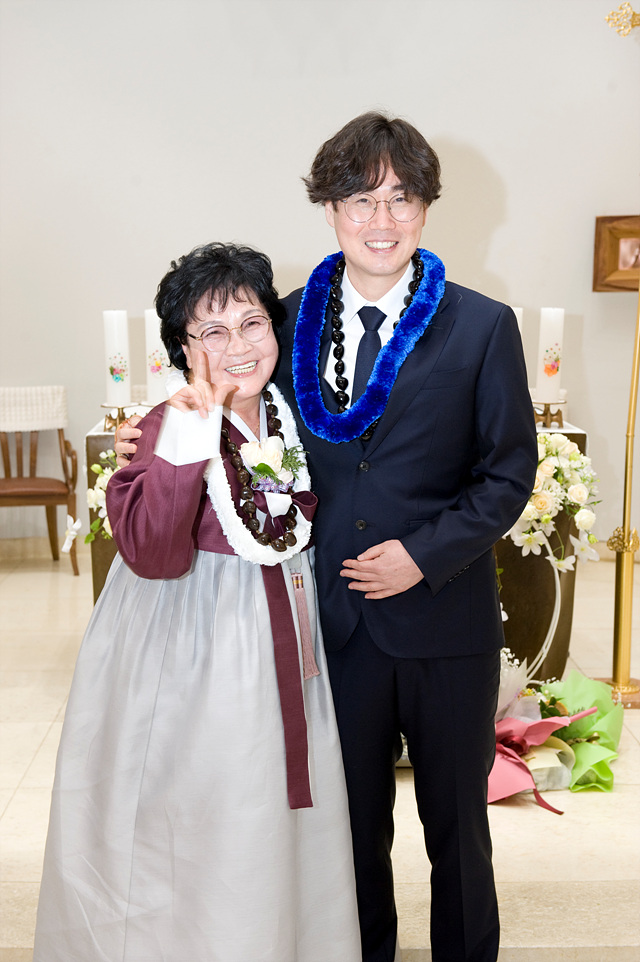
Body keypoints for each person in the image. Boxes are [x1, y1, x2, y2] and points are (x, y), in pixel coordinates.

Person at [116, 113, 539, 962]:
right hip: (331, 628)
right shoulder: (285, 322)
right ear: (330, 209)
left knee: (460, 834)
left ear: (426, 208)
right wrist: (152, 435)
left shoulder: (482, 325)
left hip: (447, 622)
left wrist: (422, 554)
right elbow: (230, 409)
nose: (381, 220)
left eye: (401, 199)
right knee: (348, 839)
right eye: (360, 200)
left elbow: (507, 475)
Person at [34, 242, 361, 962]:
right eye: (212, 331)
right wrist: (183, 437)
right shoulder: (164, 424)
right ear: (183, 349)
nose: (238, 347)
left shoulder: (290, 412)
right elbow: (152, 552)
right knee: (210, 807)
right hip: (196, 645)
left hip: (287, 634)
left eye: (252, 323)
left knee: (275, 807)